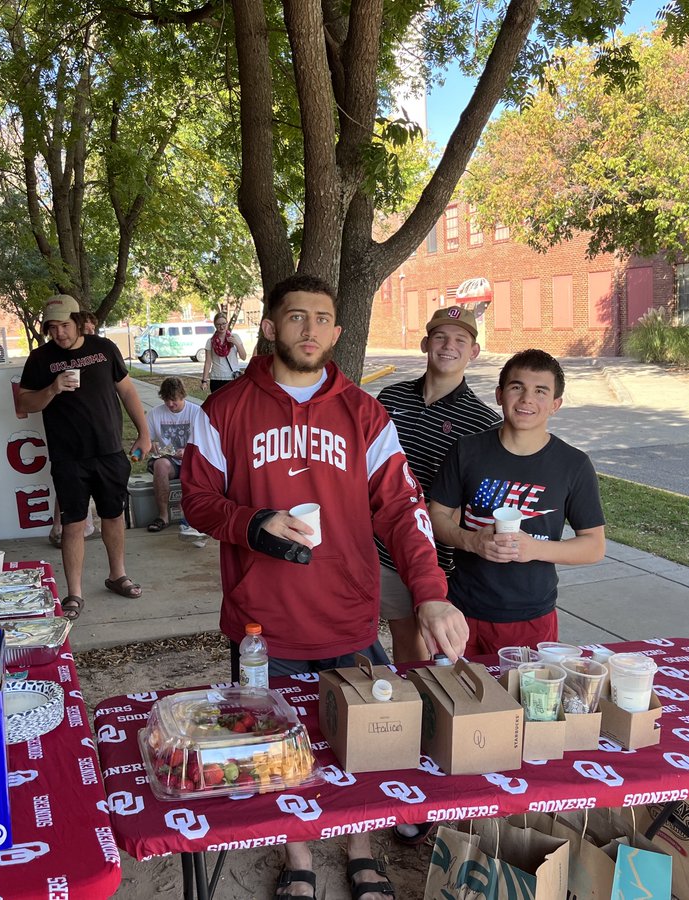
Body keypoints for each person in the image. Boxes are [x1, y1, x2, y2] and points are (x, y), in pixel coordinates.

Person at [182, 274, 468, 900]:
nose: (309, 329)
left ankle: (361, 850)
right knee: (279, 746)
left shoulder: (364, 414)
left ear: (337, 331)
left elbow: (402, 507)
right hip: (264, 621)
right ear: (269, 327)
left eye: (321, 318)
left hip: (348, 614)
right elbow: (197, 501)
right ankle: (300, 856)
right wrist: (252, 522)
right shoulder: (224, 410)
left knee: (360, 745)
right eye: (295, 316)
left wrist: (429, 590)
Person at [428, 348, 606, 655]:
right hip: (461, 608)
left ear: (555, 404)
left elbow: (593, 546)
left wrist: (534, 548)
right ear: (499, 395)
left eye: (540, 391)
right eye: (516, 387)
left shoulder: (573, 464)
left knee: (523, 701)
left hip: (531, 615)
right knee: (453, 697)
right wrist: (472, 541)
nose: (526, 399)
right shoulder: (467, 451)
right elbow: (436, 516)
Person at [376, 306, 501, 664]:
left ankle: (425, 709)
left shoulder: (484, 424)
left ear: (473, 352)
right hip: (378, 546)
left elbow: (479, 502)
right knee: (388, 632)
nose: (449, 346)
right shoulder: (391, 399)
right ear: (425, 343)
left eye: (461, 339)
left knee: (425, 640)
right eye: (440, 337)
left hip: (434, 556)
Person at [17, 295, 151, 618]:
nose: (59, 333)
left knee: (113, 515)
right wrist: (52, 389)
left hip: (108, 451)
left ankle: (117, 575)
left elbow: (128, 391)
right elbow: (24, 405)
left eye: (64, 325)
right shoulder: (40, 360)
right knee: (73, 523)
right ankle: (74, 593)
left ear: (78, 320)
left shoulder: (104, 349)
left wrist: (145, 434)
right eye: (52, 327)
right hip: (68, 457)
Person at [49, 310, 100, 548]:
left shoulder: (101, 353)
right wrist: (54, 387)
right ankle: (60, 528)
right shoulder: (52, 357)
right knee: (69, 489)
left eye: (93, 330)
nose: (90, 334)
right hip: (67, 440)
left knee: (94, 488)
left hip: (97, 438)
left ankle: (82, 526)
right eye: (86, 329)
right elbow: (26, 401)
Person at [144, 377, 201, 532]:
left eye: (174, 400)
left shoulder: (197, 412)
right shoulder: (154, 414)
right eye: (166, 400)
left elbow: (208, 444)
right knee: (160, 465)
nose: (170, 404)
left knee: (197, 468)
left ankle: (192, 518)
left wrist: (189, 451)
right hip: (170, 461)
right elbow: (141, 446)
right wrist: (150, 445)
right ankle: (163, 516)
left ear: (182, 396)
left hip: (192, 460)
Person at [199, 312, 246, 392]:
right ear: (215, 325)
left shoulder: (235, 337)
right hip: (216, 378)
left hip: (232, 378)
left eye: (224, 323)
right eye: (218, 324)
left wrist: (236, 343)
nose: (221, 327)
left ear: (227, 323)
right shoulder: (210, 342)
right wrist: (204, 381)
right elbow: (208, 362)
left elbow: (243, 357)